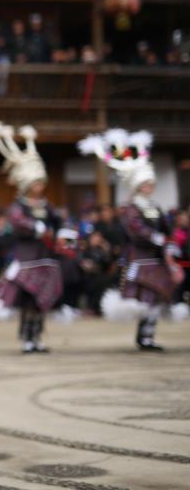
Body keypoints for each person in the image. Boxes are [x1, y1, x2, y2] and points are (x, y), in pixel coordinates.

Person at [79, 129, 185, 350]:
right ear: (137, 185)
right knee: (143, 297)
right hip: (139, 259)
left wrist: (171, 242)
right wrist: (156, 237)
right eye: (145, 184)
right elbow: (136, 230)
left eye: (151, 183)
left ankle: (148, 335)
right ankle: (142, 336)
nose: (149, 187)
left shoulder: (155, 206)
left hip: (156, 259)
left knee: (157, 298)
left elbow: (167, 228)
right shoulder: (130, 208)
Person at [0, 122, 62, 354]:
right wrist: (37, 228)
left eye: (42, 182)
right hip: (26, 258)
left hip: (45, 258)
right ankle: (27, 338)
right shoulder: (18, 206)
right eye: (35, 183)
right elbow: (17, 222)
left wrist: (63, 232)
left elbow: (60, 220)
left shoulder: (46, 205)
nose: (40, 187)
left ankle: (38, 337)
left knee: (41, 301)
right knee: (28, 301)